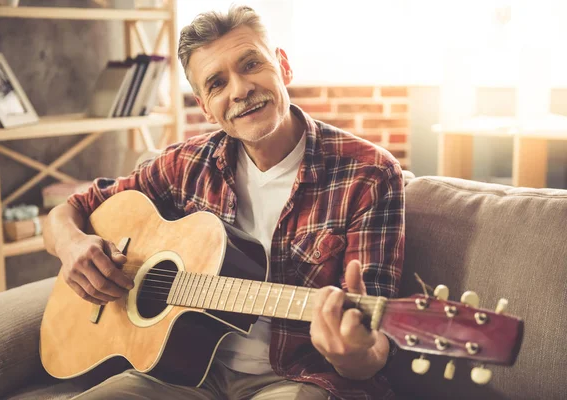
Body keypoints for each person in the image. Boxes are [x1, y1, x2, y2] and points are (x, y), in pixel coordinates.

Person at [43, 5, 405, 400]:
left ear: (282, 66)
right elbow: (71, 209)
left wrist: (352, 353)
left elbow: (374, 344)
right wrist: (71, 244)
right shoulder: (186, 164)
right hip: (180, 376)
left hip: (298, 380)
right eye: (216, 83)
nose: (239, 90)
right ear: (204, 107)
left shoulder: (368, 173)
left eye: (251, 64)